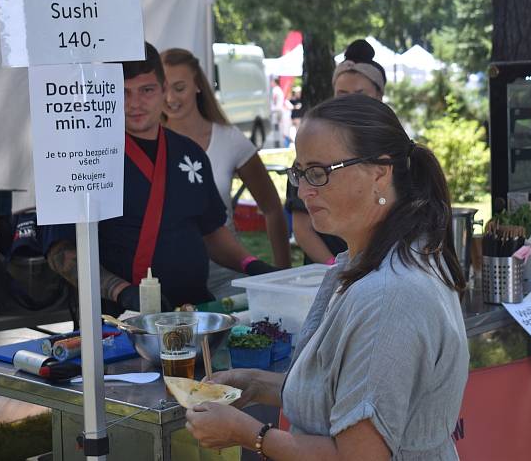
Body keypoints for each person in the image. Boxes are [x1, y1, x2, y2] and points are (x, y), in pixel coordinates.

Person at [185, 94, 470, 460]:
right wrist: (255, 384)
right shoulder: (374, 261)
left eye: (319, 173)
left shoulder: (389, 294)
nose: (303, 191)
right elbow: (341, 393)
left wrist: (248, 433)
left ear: (380, 174)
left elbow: (359, 457)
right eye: (300, 173)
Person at [44, 42, 276, 312]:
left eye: (147, 90)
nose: (135, 104)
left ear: (164, 90)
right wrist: (121, 291)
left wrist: (251, 264)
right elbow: (60, 250)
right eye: (123, 92)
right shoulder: (81, 156)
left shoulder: (190, 153)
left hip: (193, 312)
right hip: (118, 319)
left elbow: (212, 231)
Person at [161, 48, 291, 297]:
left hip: (226, 278)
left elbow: (272, 207)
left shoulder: (229, 139)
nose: (170, 98)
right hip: (168, 282)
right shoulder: (149, 143)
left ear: (198, 86)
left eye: (179, 88)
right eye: (163, 87)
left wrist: (282, 276)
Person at [286, 38, 386, 264]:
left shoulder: (396, 152)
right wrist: (338, 271)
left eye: (360, 95)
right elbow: (302, 228)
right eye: (342, 94)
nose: (351, 103)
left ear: (380, 96)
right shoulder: (309, 155)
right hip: (326, 274)